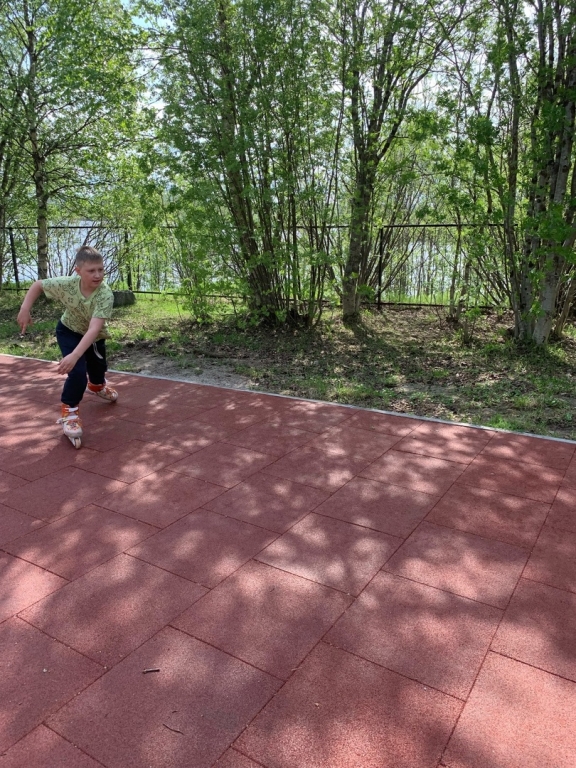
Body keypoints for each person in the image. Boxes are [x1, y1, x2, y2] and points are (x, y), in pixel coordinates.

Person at [17, 245, 118, 445]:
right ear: (78, 271)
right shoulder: (67, 284)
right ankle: (70, 414)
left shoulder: (105, 295)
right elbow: (38, 285)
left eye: (100, 269)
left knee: (98, 370)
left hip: (93, 337)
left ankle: (97, 386)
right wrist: (25, 308)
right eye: (91, 270)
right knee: (77, 372)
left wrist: (75, 355)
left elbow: (94, 329)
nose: (97, 275)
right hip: (68, 330)